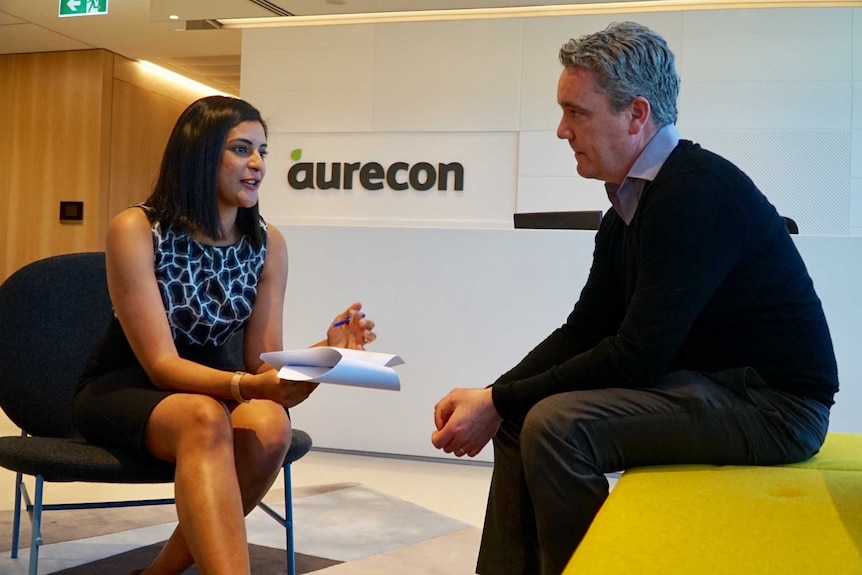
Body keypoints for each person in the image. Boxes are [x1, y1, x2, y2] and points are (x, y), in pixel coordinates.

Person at [431, 21, 838, 575]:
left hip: (776, 408)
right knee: (521, 414)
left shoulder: (693, 193)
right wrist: (496, 396)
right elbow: (586, 329)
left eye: (577, 112)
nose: (560, 130)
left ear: (637, 114)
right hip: (713, 387)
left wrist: (501, 400)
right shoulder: (629, 203)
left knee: (555, 424)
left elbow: (638, 356)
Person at [73, 95, 376, 575]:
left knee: (271, 423)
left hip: (216, 387)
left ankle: (158, 574)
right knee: (204, 417)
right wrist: (247, 386)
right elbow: (162, 365)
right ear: (200, 154)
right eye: (241, 149)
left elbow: (261, 362)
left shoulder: (267, 242)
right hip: (127, 387)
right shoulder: (137, 228)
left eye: (262, 151)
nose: (257, 164)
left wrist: (328, 348)